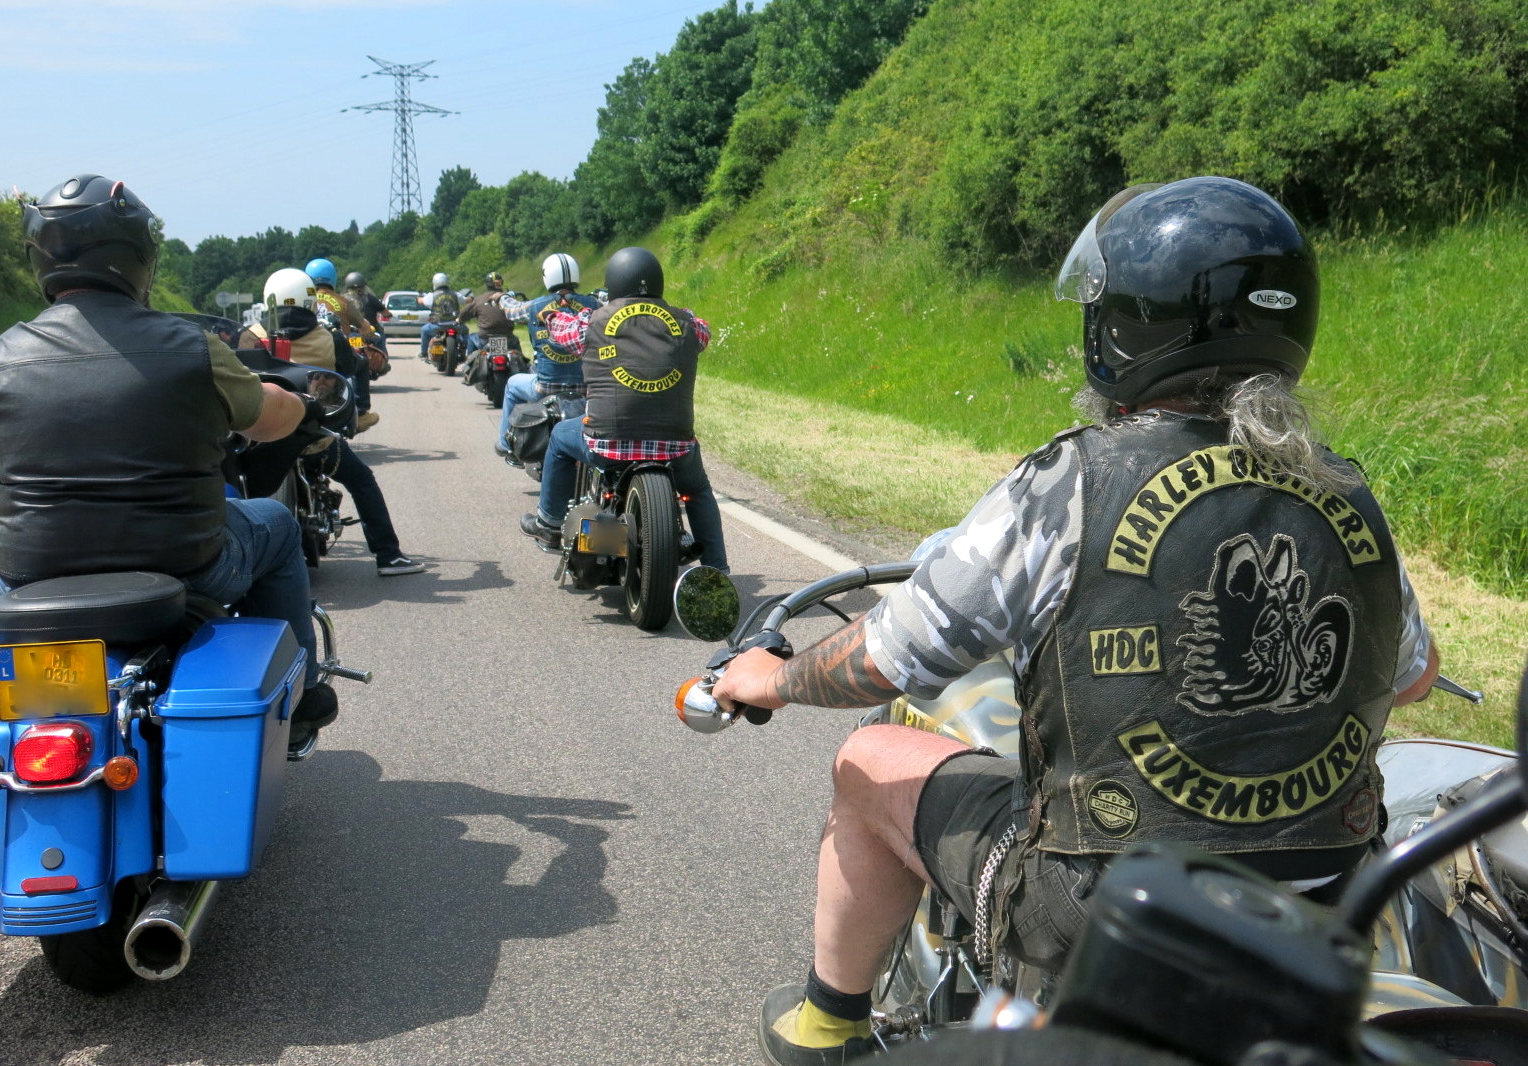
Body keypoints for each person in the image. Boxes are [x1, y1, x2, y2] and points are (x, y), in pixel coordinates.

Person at [710, 176, 1440, 1066]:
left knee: (867, 761)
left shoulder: (1070, 484)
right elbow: (1413, 678)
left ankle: (826, 1025)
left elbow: (891, 657)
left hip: (1102, 906)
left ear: (1129, 326)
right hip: (1321, 912)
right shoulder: (1347, 492)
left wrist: (774, 678)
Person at [0, 174, 343, 754]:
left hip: (34, 573)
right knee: (278, 524)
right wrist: (301, 403)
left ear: (41, 259)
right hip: (188, 566)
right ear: (137, 257)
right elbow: (268, 418)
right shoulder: (194, 347)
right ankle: (302, 695)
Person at [518, 246, 728, 573]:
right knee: (698, 491)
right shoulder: (686, 323)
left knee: (559, 436)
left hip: (607, 443)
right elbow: (703, 329)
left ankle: (549, 523)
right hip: (675, 446)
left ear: (614, 282)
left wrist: (552, 315)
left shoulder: (593, 321)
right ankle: (718, 571)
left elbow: (563, 333)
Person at [241, 268, 427, 579]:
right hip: (313, 439)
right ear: (310, 301)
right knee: (362, 481)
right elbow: (351, 366)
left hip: (261, 439)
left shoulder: (250, 336)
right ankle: (389, 556)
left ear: (269, 299)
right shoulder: (330, 337)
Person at [493, 253, 603, 462]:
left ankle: (507, 445)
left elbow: (511, 310)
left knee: (512, 384)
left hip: (545, 387)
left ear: (547, 277)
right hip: (585, 387)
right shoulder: (594, 305)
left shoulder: (535, 306)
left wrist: (501, 297)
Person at [304, 257, 379, 433]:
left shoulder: (303, 300)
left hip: (307, 351)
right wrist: (368, 331)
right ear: (333, 278)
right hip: (336, 353)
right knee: (362, 363)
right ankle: (361, 412)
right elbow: (364, 326)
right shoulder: (343, 302)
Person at [458, 269, 517, 361]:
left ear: (487, 284)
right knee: (520, 356)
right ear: (501, 283)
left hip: (485, 338)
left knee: (471, 338)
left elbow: (464, 314)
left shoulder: (479, 300)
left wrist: (459, 319)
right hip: (507, 337)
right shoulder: (508, 298)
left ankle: (469, 364)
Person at [419, 271, 464, 365]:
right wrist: (470, 299)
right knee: (465, 331)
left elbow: (422, 301)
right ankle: (464, 351)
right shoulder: (455, 294)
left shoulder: (431, 296)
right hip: (454, 325)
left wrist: (419, 298)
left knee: (424, 330)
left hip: (437, 325)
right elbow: (466, 300)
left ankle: (423, 353)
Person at [344, 271, 388, 356]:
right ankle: (383, 358)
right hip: (370, 333)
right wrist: (388, 315)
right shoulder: (370, 298)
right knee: (381, 339)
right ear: (363, 286)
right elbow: (386, 312)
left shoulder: (342, 300)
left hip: (349, 333)